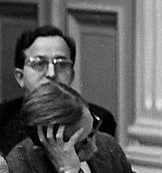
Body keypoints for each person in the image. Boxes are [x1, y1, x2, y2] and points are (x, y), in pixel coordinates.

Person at [6, 82, 162, 173]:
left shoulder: (107, 147)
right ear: (44, 147)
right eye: (82, 143)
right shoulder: (19, 170)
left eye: (93, 130)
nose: (94, 146)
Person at [0, 27, 116, 155]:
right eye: (39, 64)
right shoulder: (3, 118)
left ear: (72, 75)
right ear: (20, 76)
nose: (51, 73)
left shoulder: (98, 120)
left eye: (62, 64)